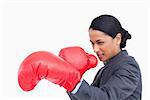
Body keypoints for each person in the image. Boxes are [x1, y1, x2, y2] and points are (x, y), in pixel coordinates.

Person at [67, 15, 142, 100]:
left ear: (118, 39)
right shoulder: (103, 70)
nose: (95, 49)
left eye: (100, 42)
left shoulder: (129, 66)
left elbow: (106, 97)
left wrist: (75, 83)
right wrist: (72, 80)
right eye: (92, 43)